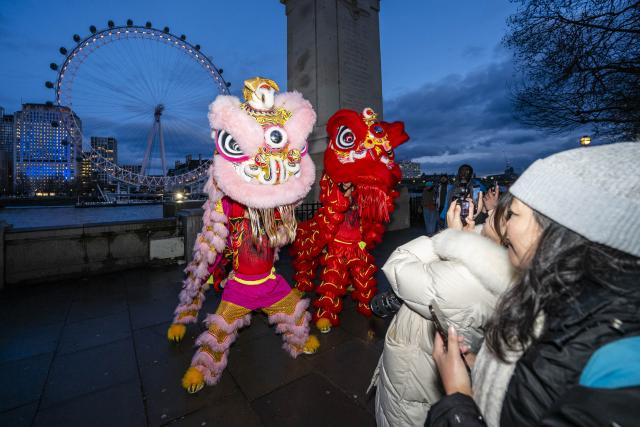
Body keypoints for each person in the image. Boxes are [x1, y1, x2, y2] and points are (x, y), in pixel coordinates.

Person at [428, 142, 640, 426]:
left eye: (512, 215)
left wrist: (457, 398)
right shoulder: (560, 298)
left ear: (554, 230)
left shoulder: (617, 362)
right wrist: (479, 368)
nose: (506, 228)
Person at [369, 193, 516, 426]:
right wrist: (467, 241)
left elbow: (397, 266)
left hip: (414, 383)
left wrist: (449, 237)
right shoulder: (503, 272)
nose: (491, 212)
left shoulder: (467, 281)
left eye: (505, 213)